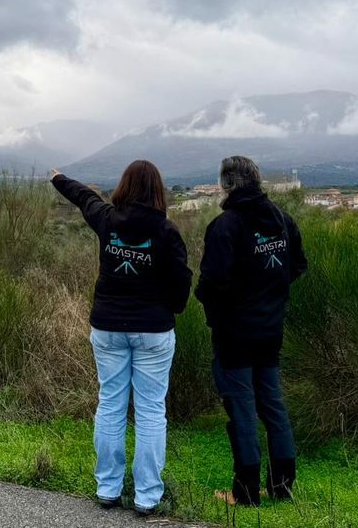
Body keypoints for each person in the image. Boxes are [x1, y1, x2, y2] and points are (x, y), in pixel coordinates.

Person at [50, 161, 192, 515]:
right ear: (158, 191)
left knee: (111, 404)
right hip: (153, 332)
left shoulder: (108, 221)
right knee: (150, 411)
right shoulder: (166, 232)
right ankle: (147, 496)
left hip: (109, 328)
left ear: (125, 187)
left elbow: (84, 198)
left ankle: (108, 488)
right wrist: (171, 309)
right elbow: (181, 281)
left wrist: (58, 179)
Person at [195, 156, 307, 506]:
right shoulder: (282, 220)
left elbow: (210, 284)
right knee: (273, 405)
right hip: (271, 330)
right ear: (256, 181)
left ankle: (245, 492)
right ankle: (283, 487)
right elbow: (297, 265)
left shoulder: (225, 226)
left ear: (226, 185)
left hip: (235, 336)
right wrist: (270, 296)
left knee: (242, 409)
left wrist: (220, 315)